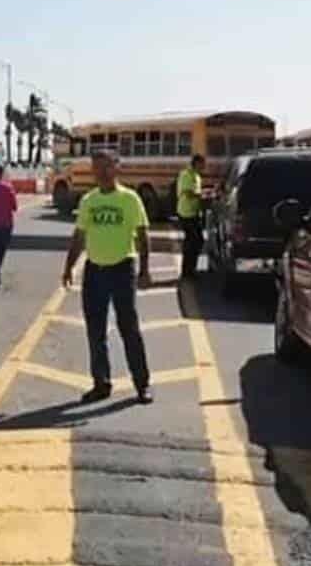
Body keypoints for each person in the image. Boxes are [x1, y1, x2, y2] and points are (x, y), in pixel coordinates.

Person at [62, 150, 154, 405]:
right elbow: (79, 236)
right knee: (95, 331)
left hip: (122, 268)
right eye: (96, 168)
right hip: (95, 271)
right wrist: (69, 266)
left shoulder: (130, 199)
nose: (101, 173)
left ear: (117, 167)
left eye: (106, 167)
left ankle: (142, 384)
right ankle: (101, 383)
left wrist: (145, 270)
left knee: (129, 329)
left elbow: (142, 235)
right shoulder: (89, 201)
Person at [176, 154, 207, 278]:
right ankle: (187, 271)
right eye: (202, 164)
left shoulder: (197, 176)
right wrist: (203, 195)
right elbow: (189, 193)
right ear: (196, 163)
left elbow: (196, 192)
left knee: (196, 241)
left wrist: (206, 192)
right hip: (186, 213)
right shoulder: (186, 175)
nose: (204, 167)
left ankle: (190, 269)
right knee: (193, 242)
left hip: (194, 213)